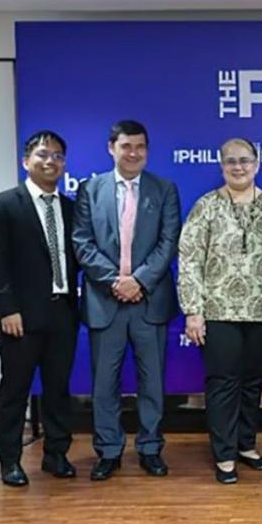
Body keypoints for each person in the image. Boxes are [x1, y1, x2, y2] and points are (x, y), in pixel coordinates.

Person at [73, 119, 181, 481]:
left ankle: (151, 448)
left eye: (140, 147)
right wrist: (114, 282)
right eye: (126, 146)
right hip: (106, 302)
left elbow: (169, 242)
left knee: (153, 383)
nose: (133, 153)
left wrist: (140, 281)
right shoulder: (90, 189)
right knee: (105, 383)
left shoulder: (164, 189)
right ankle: (108, 450)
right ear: (111, 148)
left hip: (148, 301)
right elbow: (82, 243)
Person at [0, 131, 80, 486]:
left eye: (57, 156)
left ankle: (56, 455)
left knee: (58, 390)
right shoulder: (4, 205)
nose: (50, 161)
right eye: (42, 154)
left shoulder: (70, 208)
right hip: (19, 318)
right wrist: (7, 309)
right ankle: (10, 461)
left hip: (63, 313)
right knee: (15, 390)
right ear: (26, 161)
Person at [177, 137, 262, 484]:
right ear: (221, 166)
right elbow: (189, 260)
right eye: (231, 161)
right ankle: (224, 454)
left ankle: (246, 445)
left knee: (252, 384)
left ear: (257, 163)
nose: (239, 167)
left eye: (245, 160)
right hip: (218, 312)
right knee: (223, 385)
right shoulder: (206, 206)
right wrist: (193, 311)